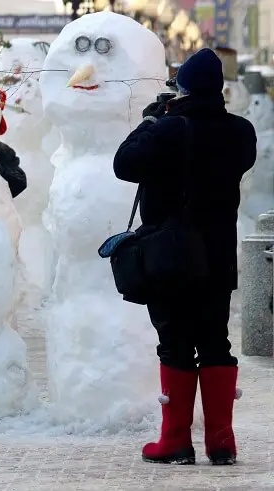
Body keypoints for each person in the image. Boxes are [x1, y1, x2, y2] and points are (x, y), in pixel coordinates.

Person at [112, 48, 257, 466]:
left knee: (175, 344)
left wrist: (151, 121)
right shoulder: (241, 131)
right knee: (215, 342)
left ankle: (175, 441)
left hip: (169, 255)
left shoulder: (168, 129)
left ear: (182, 87)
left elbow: (124, 164)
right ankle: (222, 443)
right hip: (216, 260)